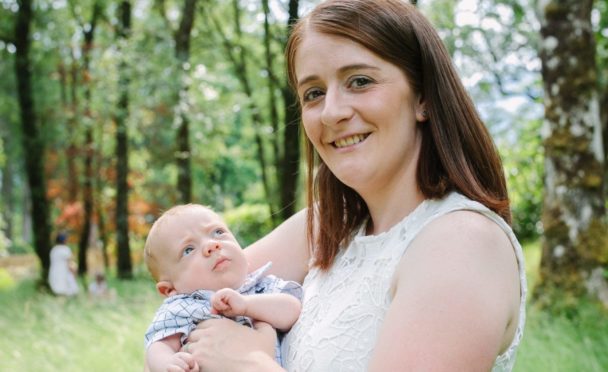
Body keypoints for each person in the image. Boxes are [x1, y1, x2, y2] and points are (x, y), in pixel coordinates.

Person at [182, 1, 527, 371]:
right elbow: (185, 302)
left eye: (359, 81)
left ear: (423, 96)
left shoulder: (463, 242)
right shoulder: (324, 228)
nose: (332, 112)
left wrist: (248, 363)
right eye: (313, 93)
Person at [143, 204, 302, 372]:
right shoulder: (181, 307)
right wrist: (168, 364)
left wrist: (248, 305)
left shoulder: (261, 286)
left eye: (218, 232)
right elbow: (157, 346)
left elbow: (291, 311)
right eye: (188, 249)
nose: (212, 245)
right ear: (170, 290)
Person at [48, 232, 79, 296]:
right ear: (65, 240)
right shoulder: (65, 249)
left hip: (54, 275)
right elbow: (71, 264)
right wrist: (74, 272)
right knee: (67, 295)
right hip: (63, 276)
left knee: (59, 295)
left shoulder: (54, 250)